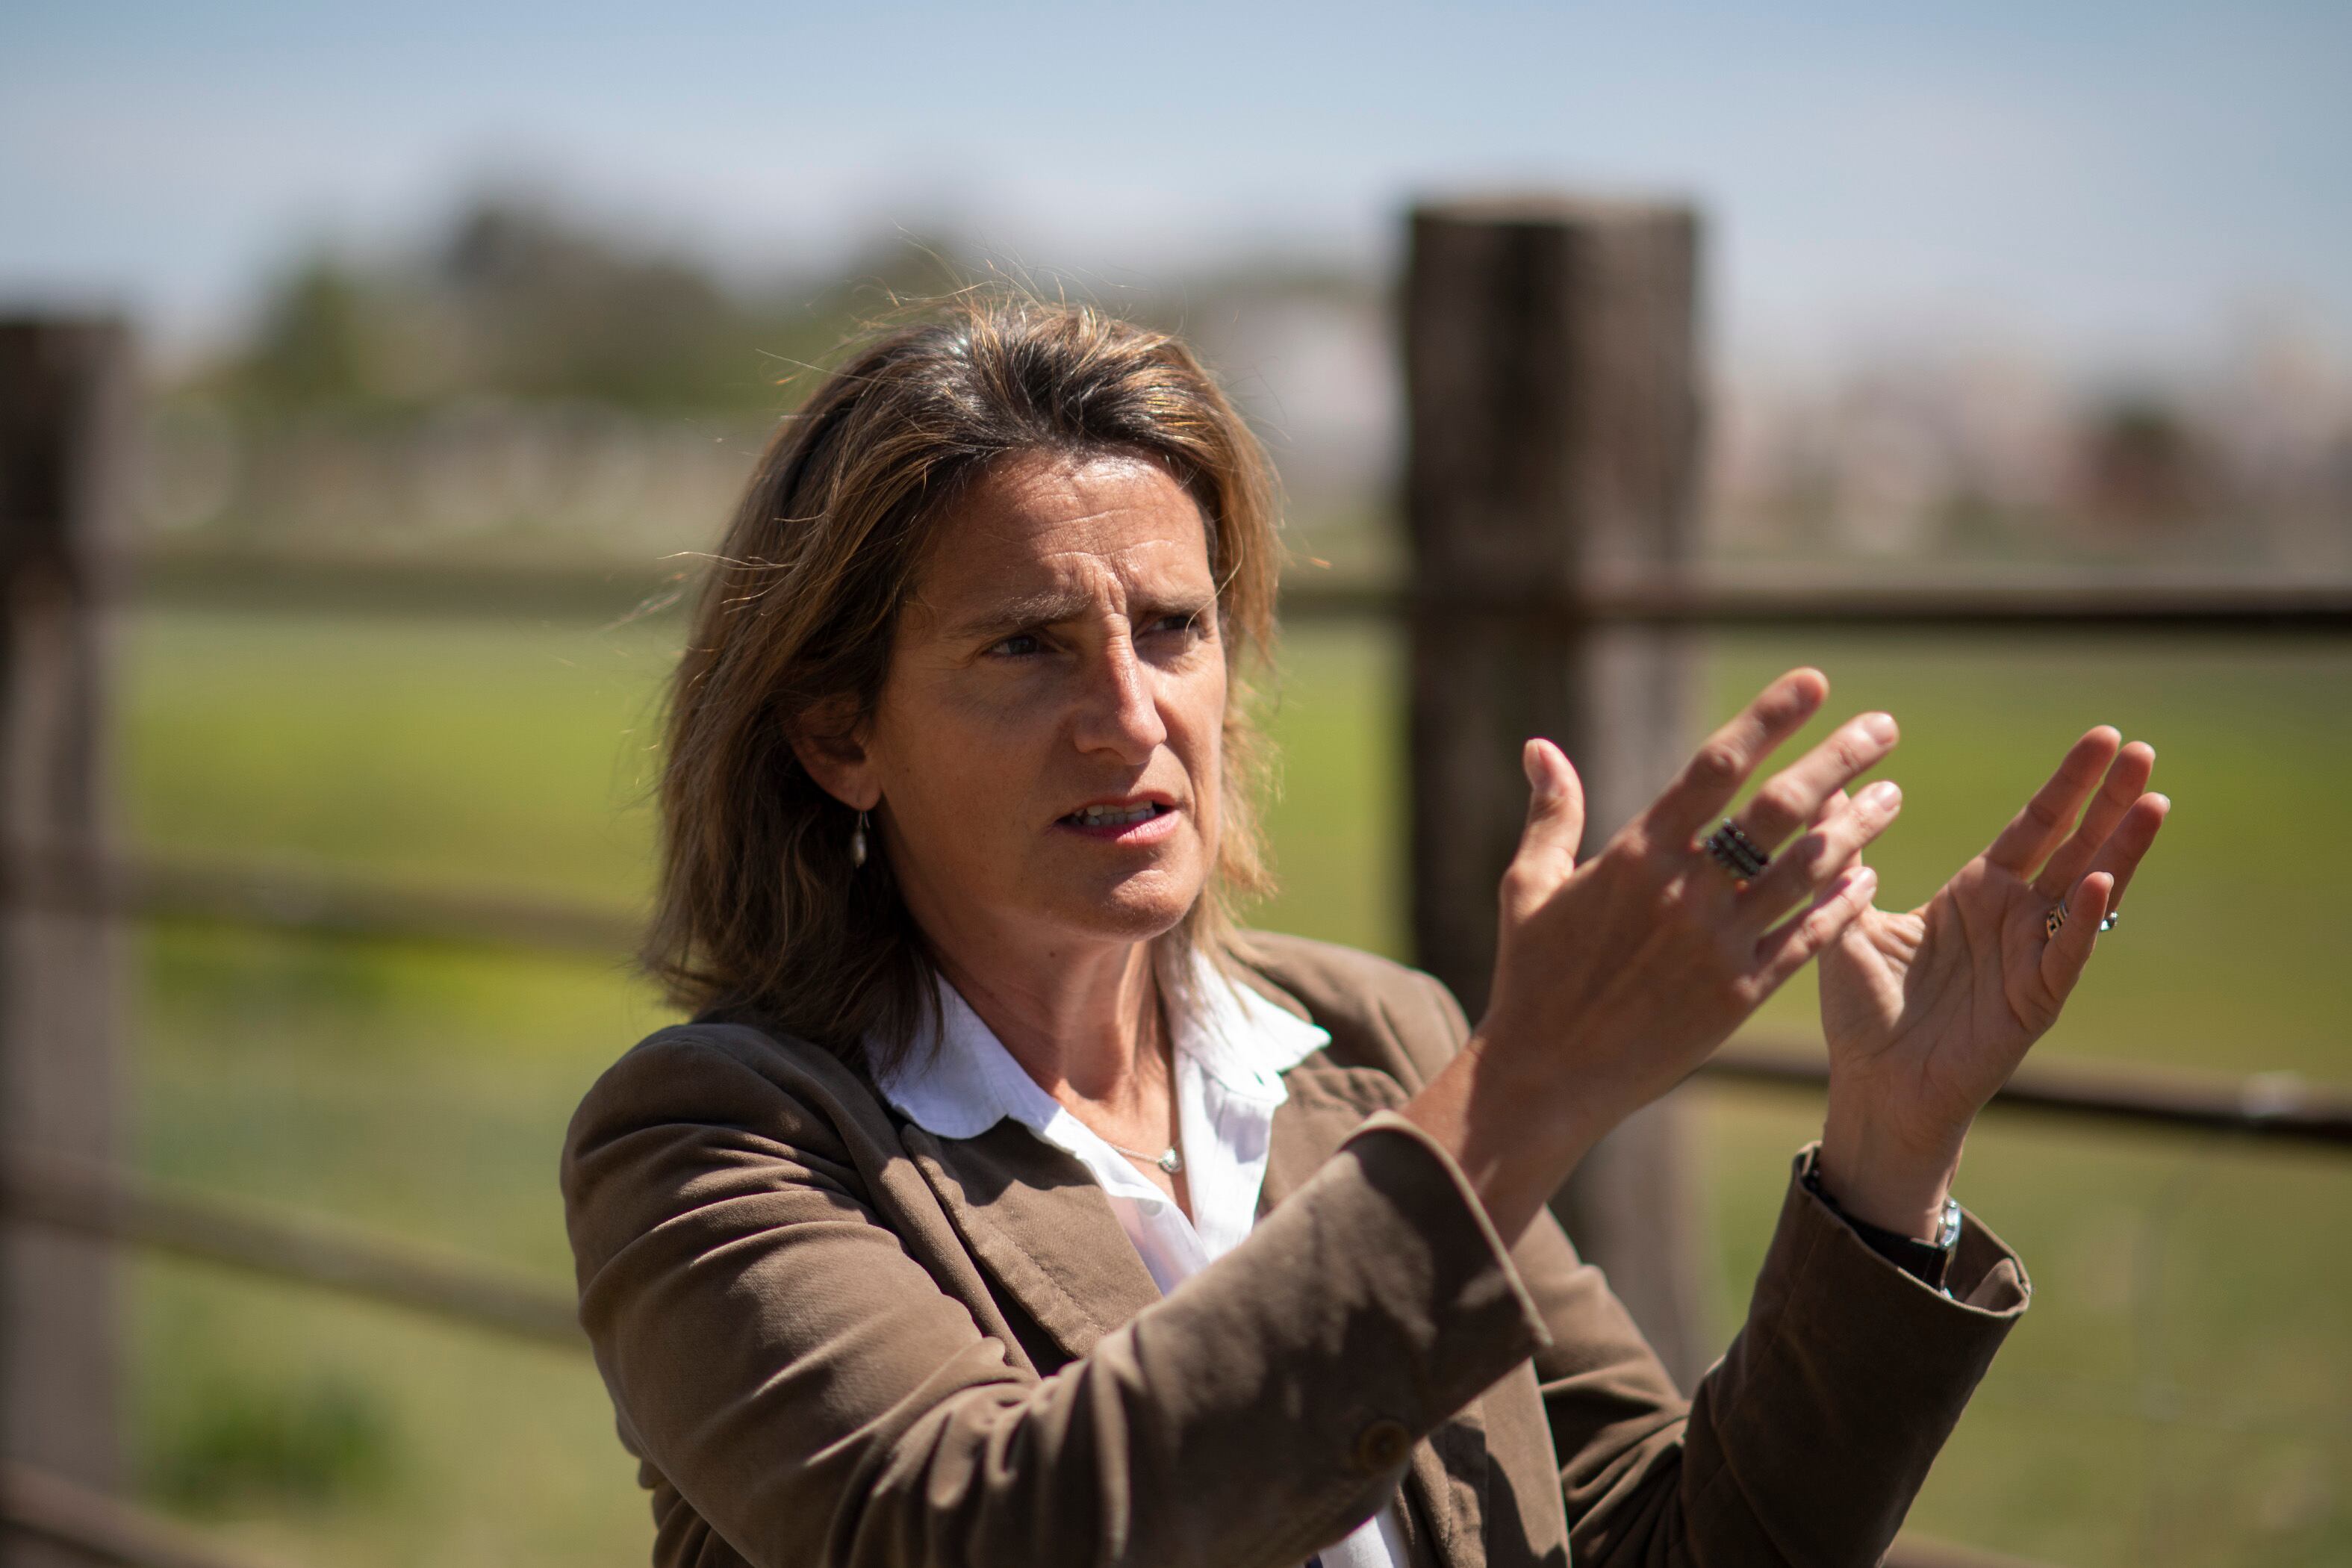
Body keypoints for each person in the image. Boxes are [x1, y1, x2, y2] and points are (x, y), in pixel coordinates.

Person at [561, 295, 2167, 1568]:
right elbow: (975, 1532)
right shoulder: (720, 1139)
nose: (1131, 717)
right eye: (1027, 646)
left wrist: (1890, 1163)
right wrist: (1523, 1099)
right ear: (841, 735)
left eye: (1176, 630)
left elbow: (1667, 1543)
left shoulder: (1380, 1045)